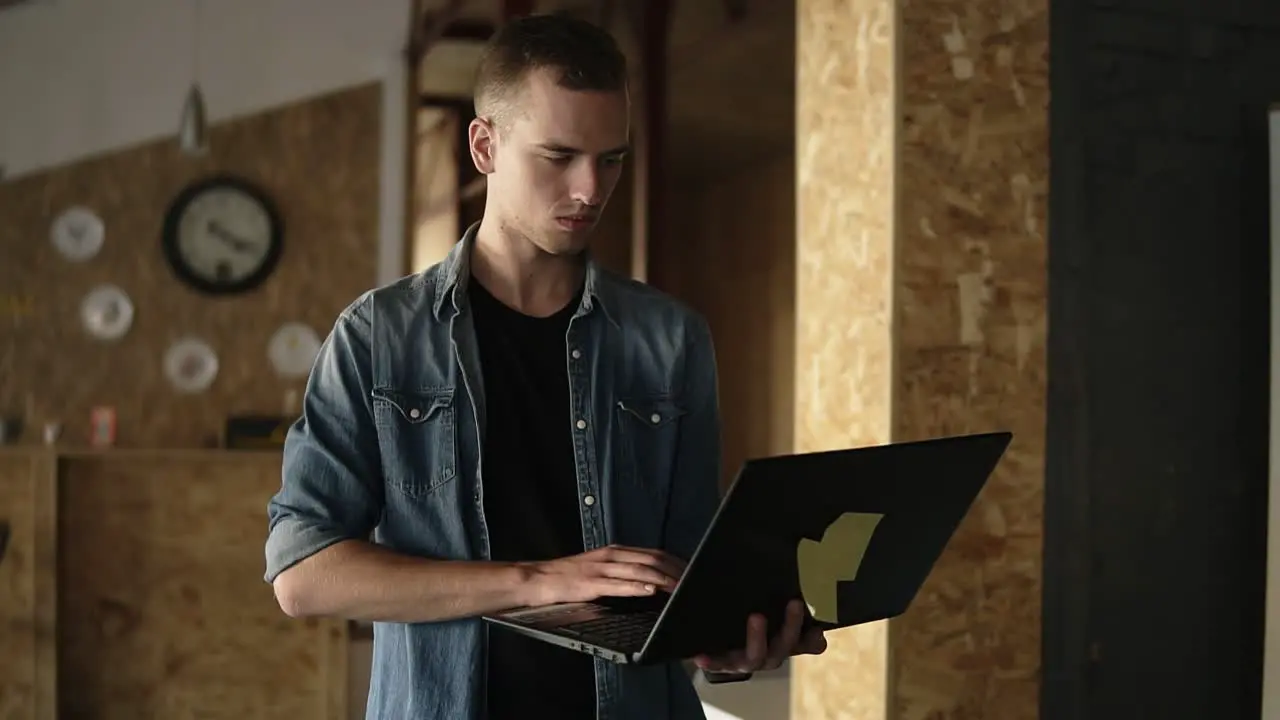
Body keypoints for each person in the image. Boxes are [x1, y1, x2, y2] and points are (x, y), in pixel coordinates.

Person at [263, 13, 826, 720]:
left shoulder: (671, 339)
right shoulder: (379, 337)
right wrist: (536, 582)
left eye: (612, 158)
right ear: (485, 144)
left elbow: (683, 580)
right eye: (558, 156)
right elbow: (302, 574)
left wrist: (735, 644)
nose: (590, 188)